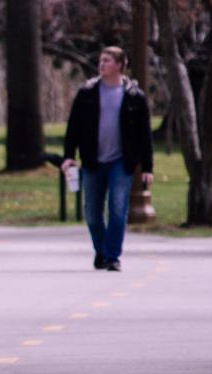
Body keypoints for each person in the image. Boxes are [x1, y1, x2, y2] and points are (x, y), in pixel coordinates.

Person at [61, 46, 154, 272]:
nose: (101, 64)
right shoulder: (87, 93)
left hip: (121, 162)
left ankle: (112, 256)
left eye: (107, 60)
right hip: (93, 160)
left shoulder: (134, 96)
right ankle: (101, 251)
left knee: (117, 207)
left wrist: (147, 167)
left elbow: (144, 134)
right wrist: (68, 156)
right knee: (92, 213)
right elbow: (73, 127)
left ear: (120, 65)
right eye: (100, 60)